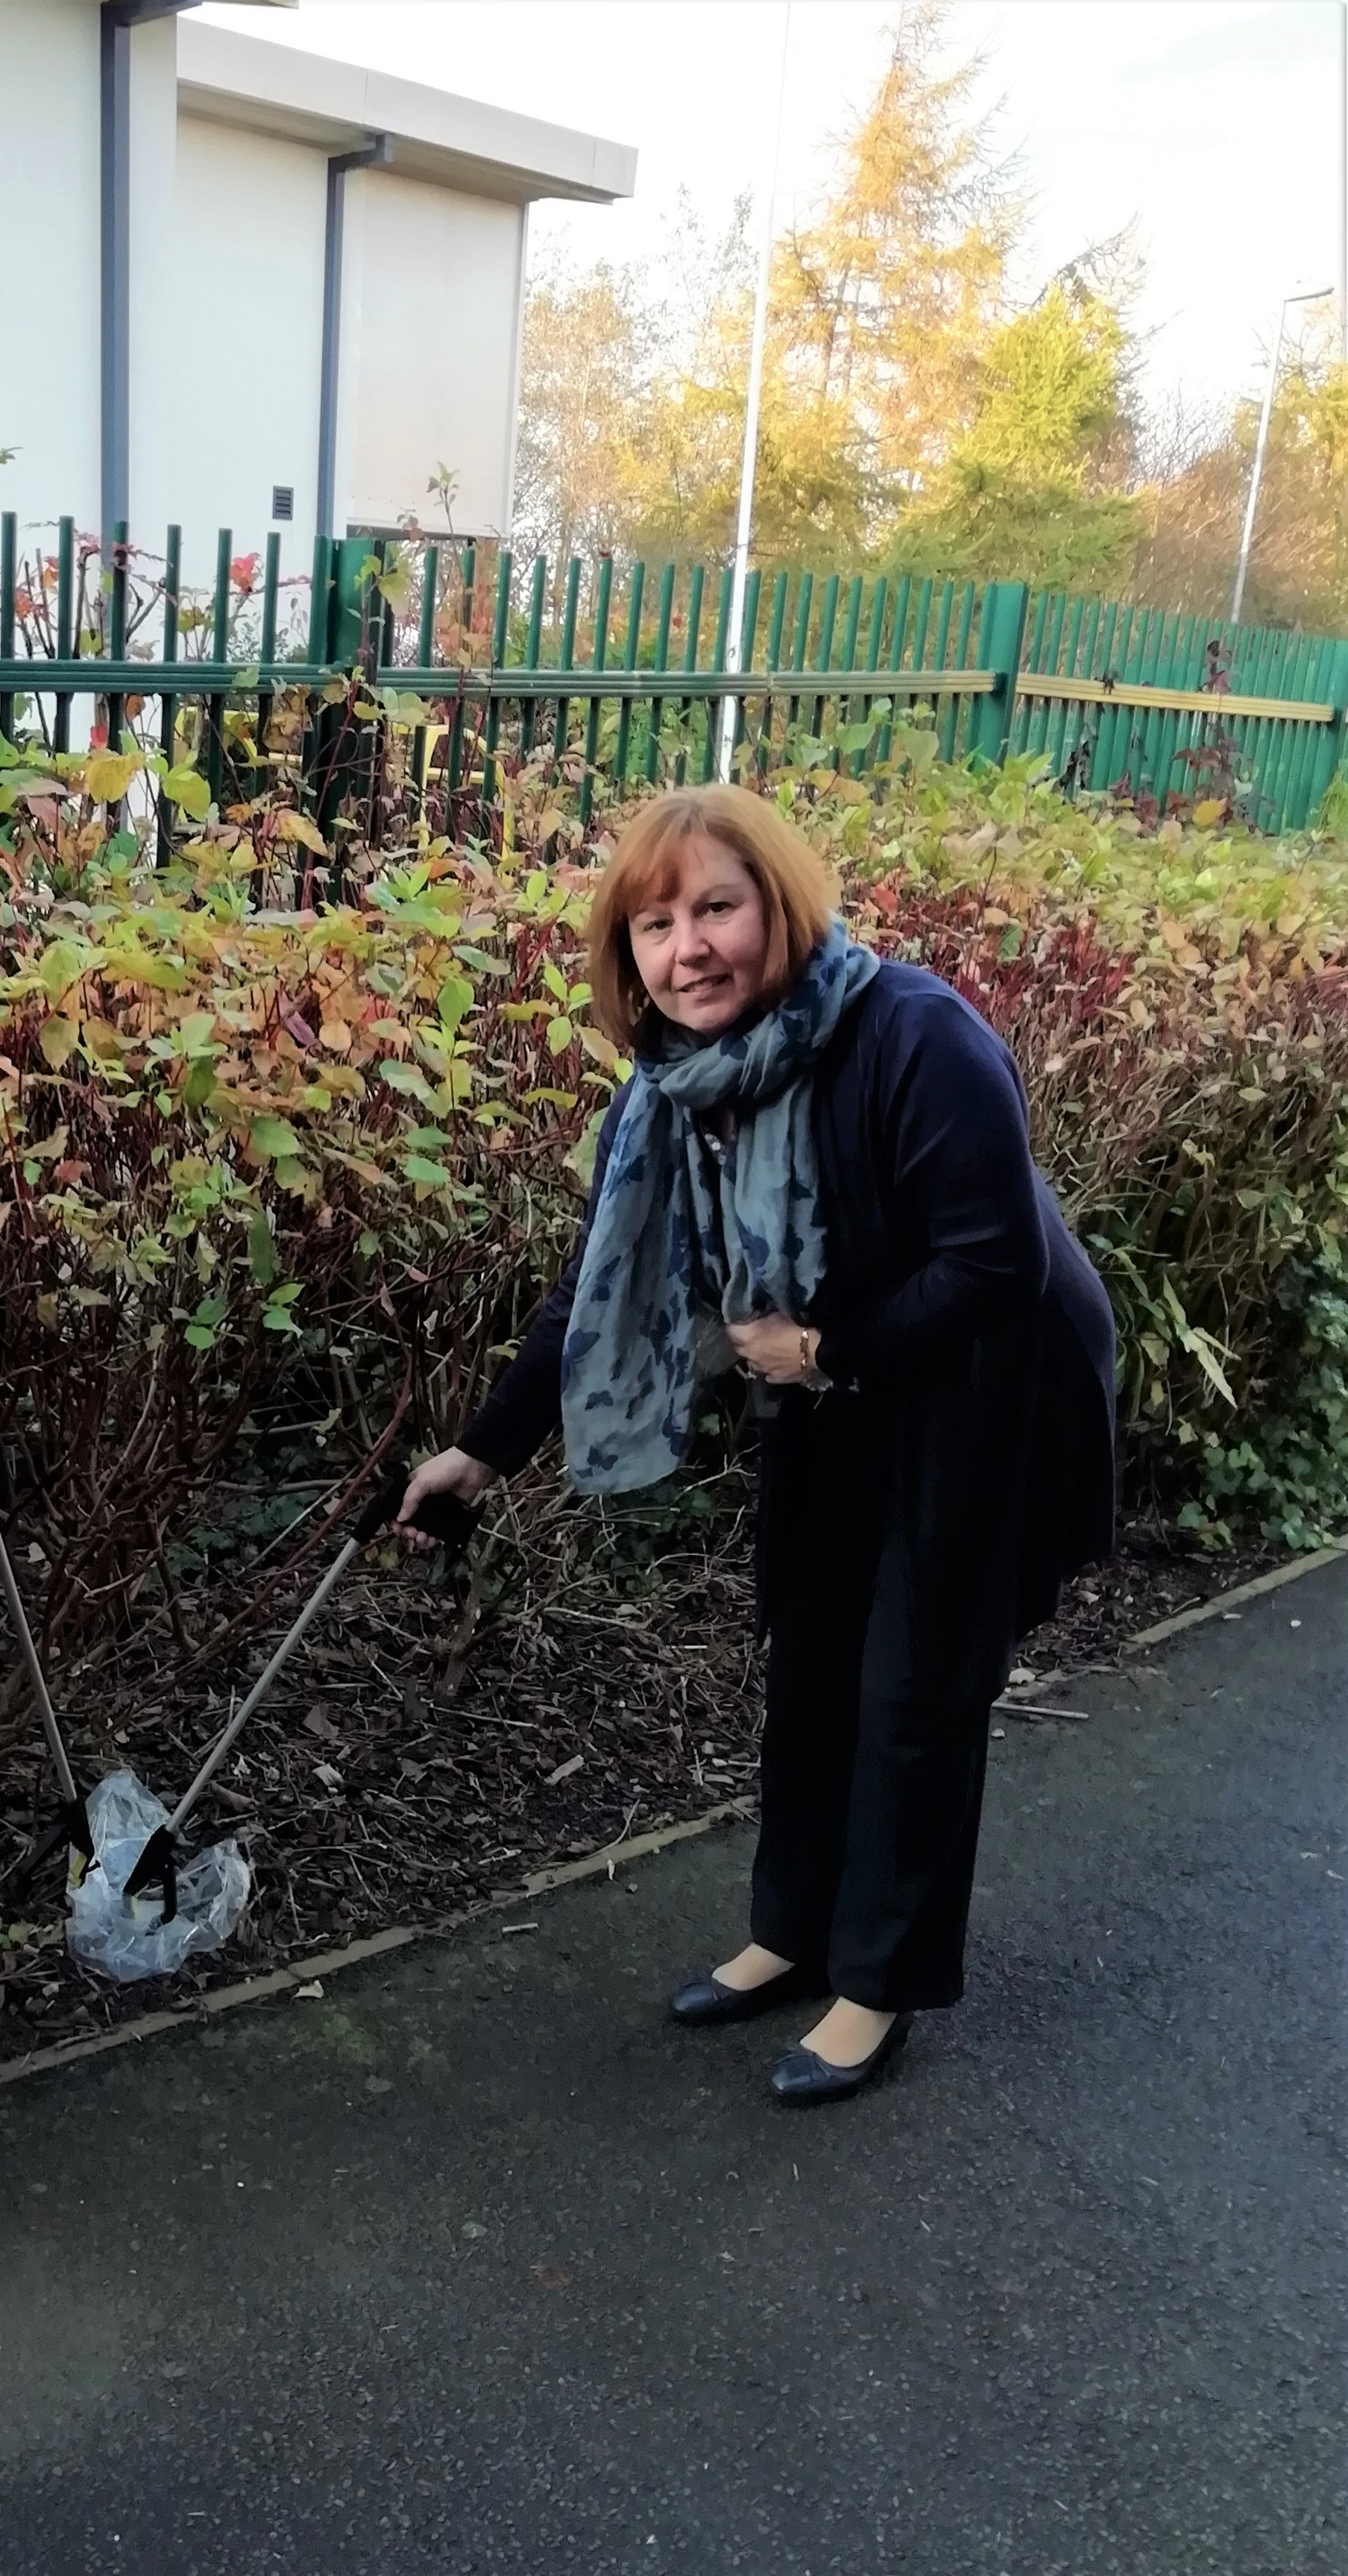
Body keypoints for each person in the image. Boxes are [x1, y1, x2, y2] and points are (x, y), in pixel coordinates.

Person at [398, 785, 1114, 2105]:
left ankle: (878, 1979)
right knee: (811, 1648)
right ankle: (790, 1930)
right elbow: (595, 1290)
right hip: (832, 1379)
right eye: (655, 925)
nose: (689, 948)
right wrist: (483, 1452)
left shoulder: (914, 1036)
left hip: (982, 1380)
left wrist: (828, 1348)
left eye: (715, 906)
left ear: (776, 904)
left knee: (913, 1683)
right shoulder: (677, 1087)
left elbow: (994, 1262)